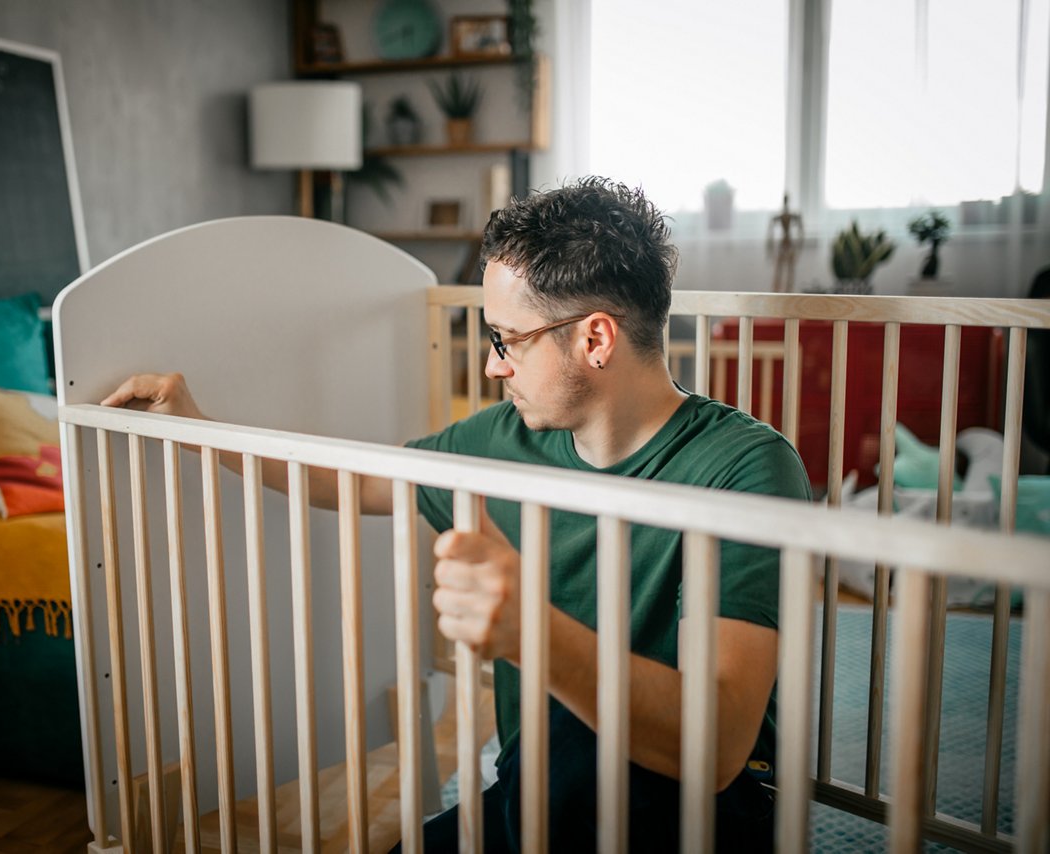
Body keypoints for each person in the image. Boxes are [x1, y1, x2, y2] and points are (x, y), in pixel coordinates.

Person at [102, 177, 811, 851]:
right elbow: (354, 482)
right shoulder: (503, 440)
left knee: (579, 757)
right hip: (536, 796)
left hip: (697, 810)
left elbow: (717, 749)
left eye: (508, 340)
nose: (493, 366)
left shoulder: (746, 468)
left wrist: (530, 630)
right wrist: (201, 429)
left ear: (595, 340)